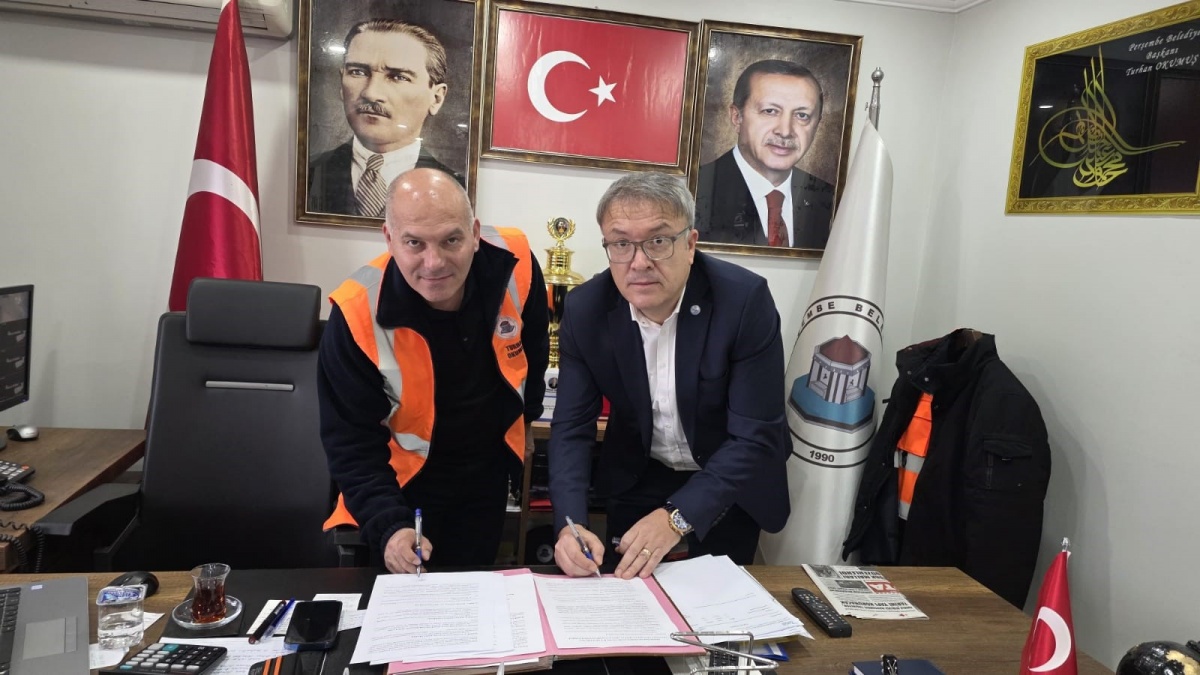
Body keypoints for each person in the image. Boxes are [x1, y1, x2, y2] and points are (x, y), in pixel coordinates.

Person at [549, 172, 791, 579]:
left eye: (658, 241)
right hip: (639, 473)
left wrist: (677, 517)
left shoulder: (743, 301)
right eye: (621, 244)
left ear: (690, 244)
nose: (639, 262)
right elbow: (572, 428)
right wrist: (569, 525)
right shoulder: (585, 309)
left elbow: (755, 436)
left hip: (729, 479)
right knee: (631, 599)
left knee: (718, 602)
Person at [319, 168, 548, 573]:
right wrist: (391, 527)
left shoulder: (517, 263)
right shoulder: (355, 314)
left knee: (472, 595)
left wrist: (526, 419)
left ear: (474, 233)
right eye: (414, 243)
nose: (434, 262)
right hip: (402, 484)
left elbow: (534, 349)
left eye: (451, 240)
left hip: (485, 473)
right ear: (389, 239)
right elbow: (351, 444)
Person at [308, 20, 464, 217]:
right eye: (358, 72)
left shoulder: (458, 190)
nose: (371, 93)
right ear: (341, 83)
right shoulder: (309, 174)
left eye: (399, 77)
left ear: (436, 98)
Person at [695, 60, 834, 250]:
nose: (785, 131)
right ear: (737, 118)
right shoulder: (695, 191)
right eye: (770, 111)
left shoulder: (833, 201)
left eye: (802, 115)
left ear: (817, 124)